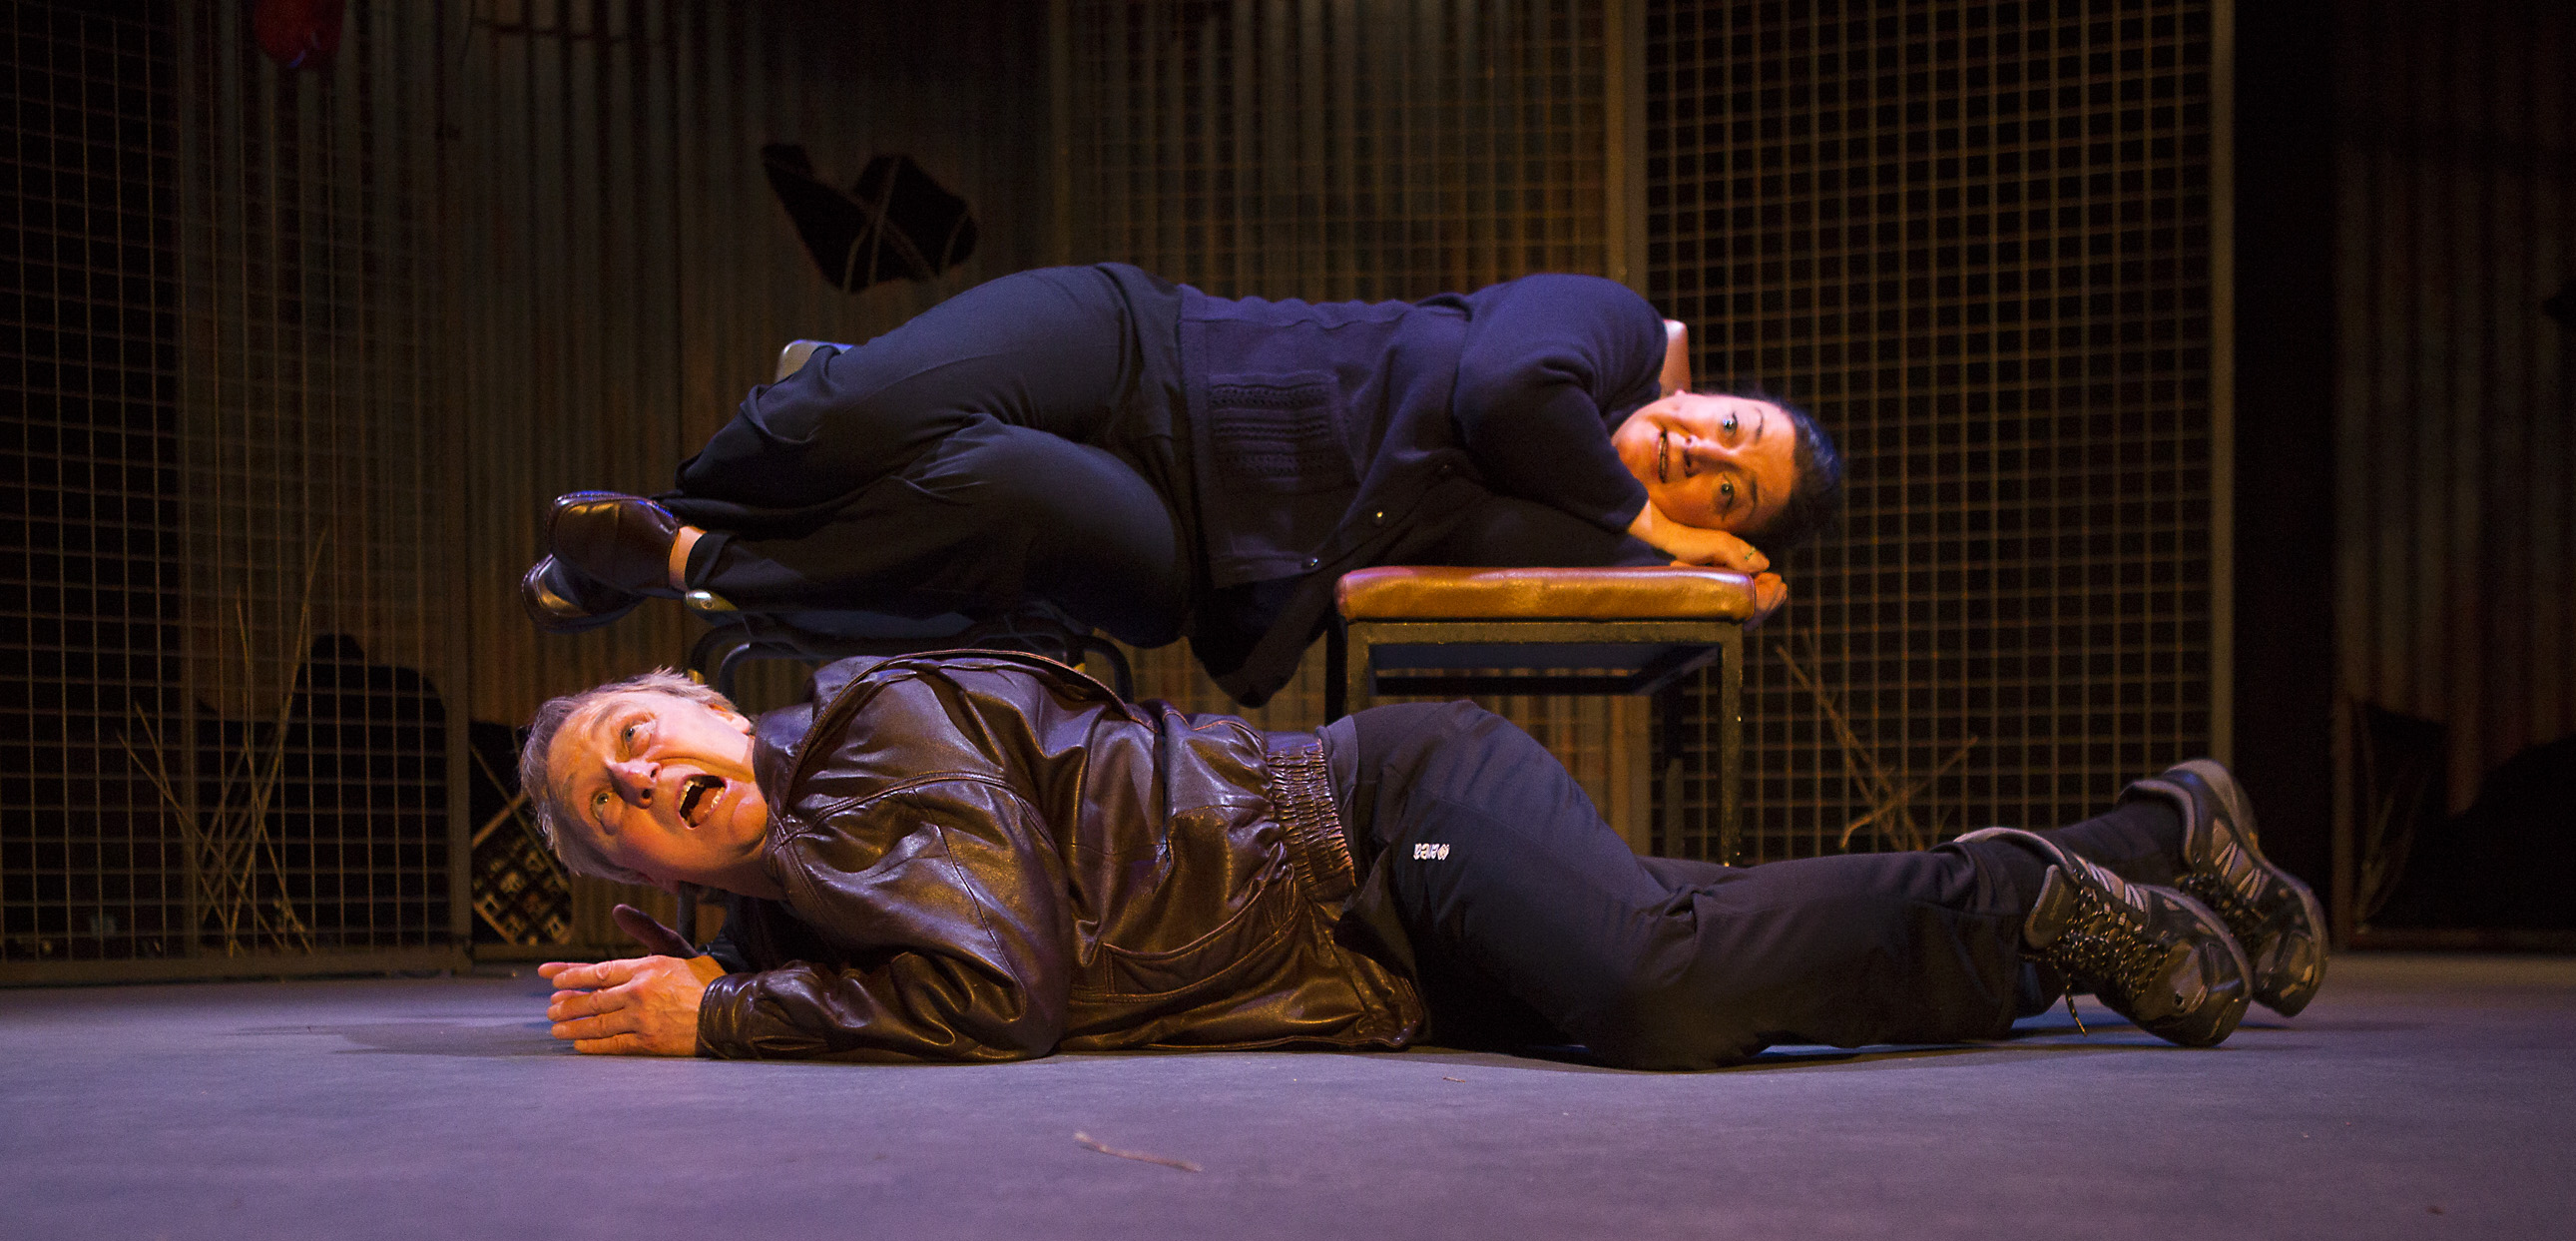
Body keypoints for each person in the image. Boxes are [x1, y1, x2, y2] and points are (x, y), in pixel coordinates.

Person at [519, 652, 2325, 1066]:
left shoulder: (870, 728)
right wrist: (732, 986)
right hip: (1366, 957)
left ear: (707, 700)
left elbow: (1000, 989)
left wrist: (722, 1021)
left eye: (643, 731)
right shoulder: (804, 918)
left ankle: (2025, 899)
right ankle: (2157, 847)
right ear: (637, 869)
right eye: (615, 794)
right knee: (1711, 935)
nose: (651, 773)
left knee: (1652, 984)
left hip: (1379, 816)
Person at [520, 265, 1844, 706]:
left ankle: (688, 562)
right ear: (1701, 388)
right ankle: (681, 529)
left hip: (1182, 546)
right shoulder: (1609, 329)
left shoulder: (1583, 525)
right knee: (862, 409)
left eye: (1733, 491)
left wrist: (1686, 564)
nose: (1708, 454)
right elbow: (1506, 391)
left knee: (993, 485)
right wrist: (1648, 521)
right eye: (1731, 425)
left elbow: (1631, 600)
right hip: (1147, 343)